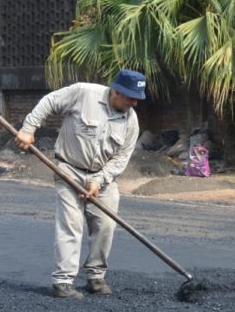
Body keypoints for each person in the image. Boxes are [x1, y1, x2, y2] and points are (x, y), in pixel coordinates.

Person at [15, 69, 146, 298]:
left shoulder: (131, 121)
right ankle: (63, 282)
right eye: (130, 97)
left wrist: (98, 180)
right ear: (115, 91)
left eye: (137, 99)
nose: (133, 103)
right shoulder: (83, 93)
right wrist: (28, 129)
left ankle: (95, 276)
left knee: (105, 225)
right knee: (71, 224)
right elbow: (49, 102)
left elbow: (121, 159)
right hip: (69, 169)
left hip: (103, 177)